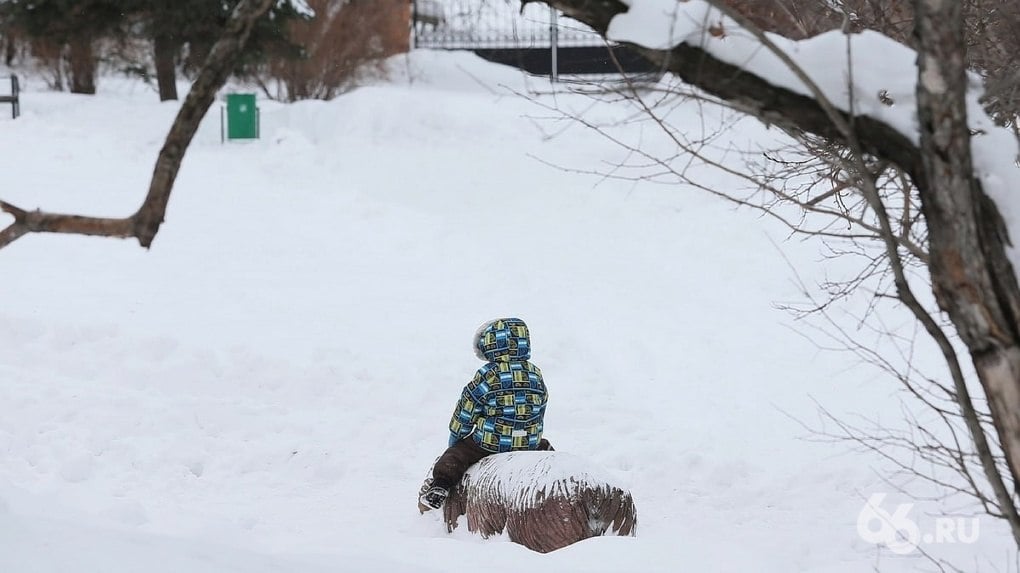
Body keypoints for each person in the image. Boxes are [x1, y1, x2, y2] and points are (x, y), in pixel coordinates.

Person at [419, 317, 550, 511]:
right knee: (546, 448)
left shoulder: (488, 374)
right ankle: (551, 475)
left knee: (457, 456)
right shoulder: (535, 373)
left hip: (492, 442)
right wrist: (532, 431)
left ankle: (440, 487)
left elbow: (467, 406)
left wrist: (457, 435)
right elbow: (542, 403)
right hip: (528, 442)